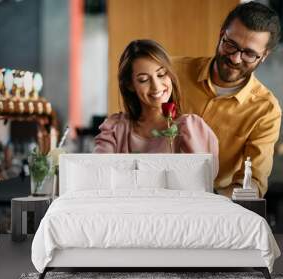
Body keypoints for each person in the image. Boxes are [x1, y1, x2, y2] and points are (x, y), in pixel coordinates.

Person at [171, 2, 281, 198]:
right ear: (221, 34)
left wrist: (211, 199)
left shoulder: (266, 110)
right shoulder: (172, 71)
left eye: (249, 54)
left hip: (215, 203)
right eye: (230, 44)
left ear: (264, 56)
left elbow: (253, 183)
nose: (236, 59)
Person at [94, 39, 219, 178]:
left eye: (161, 74)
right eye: (143, 80)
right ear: (130, 85)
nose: (156, 86)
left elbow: (201, 181)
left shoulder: (191, 127)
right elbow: (100, 175)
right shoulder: (115, 129)